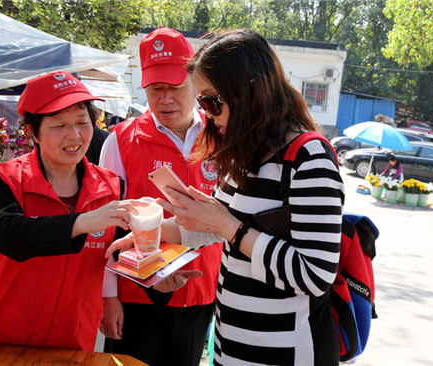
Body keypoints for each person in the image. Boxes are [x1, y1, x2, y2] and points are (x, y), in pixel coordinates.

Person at [108, 28, 345, 366]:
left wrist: (233, 229)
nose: (208, 112)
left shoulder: (308, 156)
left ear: (247, 90)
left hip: (283, 352)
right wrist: (156, 233)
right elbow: (212, 228)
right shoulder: (242, 153)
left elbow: (314, 274)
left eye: (210, 100)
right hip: (230, 347)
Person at [0, 71, 140, 352]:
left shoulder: (111, 187)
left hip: (69, 341)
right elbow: (8, 234)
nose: (74, 135)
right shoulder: (1, 179)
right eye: (59, 125)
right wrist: (82, 222)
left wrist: (157, 276)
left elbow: (119, 252)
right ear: (33, 133)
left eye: (81, 122)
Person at [98, 27, 222, 366]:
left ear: (195, 82)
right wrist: (109, 296)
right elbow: (106, 226)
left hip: (202, 296)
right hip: (137, 298)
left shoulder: (222, 137)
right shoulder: (120, 141)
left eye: (174, 88)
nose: (164, 99)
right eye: (155, 89)